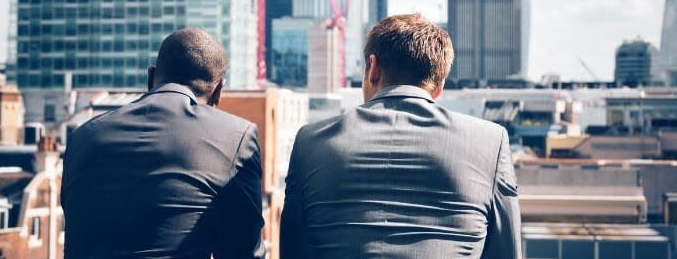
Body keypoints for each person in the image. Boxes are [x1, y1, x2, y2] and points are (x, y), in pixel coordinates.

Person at [280, 13, 521, 258]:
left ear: (372, 69)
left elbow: (292, 250)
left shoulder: (311, 142)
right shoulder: (490, 142)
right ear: (439, 87)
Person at [62, 28, 266, 259]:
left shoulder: (83, 137)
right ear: (218, 91)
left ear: (151, 77)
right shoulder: (235, 137)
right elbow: (243, 253)